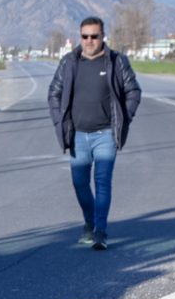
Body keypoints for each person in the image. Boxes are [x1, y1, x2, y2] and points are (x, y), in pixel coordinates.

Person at [47, 16, 142, 249]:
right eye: (85, 36)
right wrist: (59, 120)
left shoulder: (116, 61)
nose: (89, 40)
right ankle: (89, 222)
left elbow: (133, 91)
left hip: (105, 135)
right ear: (80, 37)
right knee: (80, 184)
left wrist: (124, 118)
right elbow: (54, 93)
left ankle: (100, 231)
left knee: (102, 182)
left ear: (102, 37)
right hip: (77, 135)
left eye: (94, 36)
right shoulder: (69, 62)